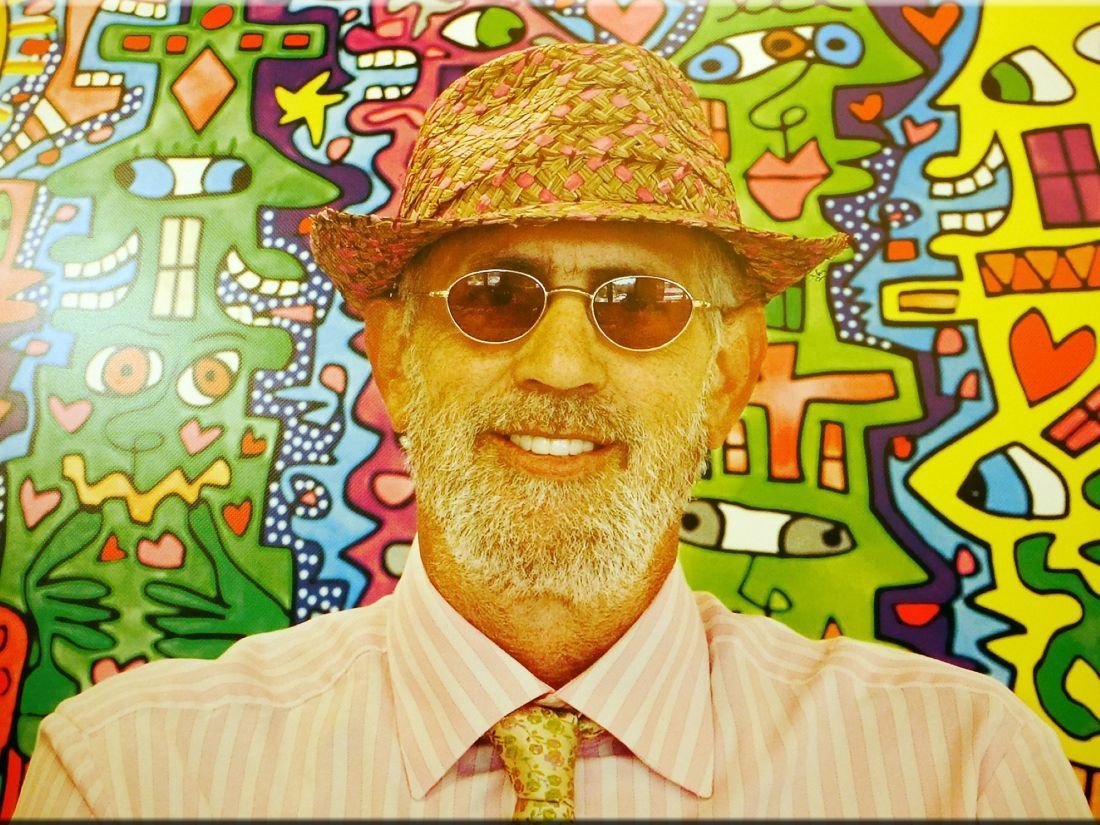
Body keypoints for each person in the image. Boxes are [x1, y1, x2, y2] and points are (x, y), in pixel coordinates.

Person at [14, 41, 1089, 820]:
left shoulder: (960, 772)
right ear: (395, 358)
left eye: (639, 303)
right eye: (493, 297)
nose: (562, 365)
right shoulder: (138, 775)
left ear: (726, 373)